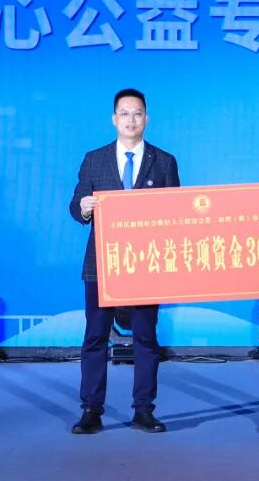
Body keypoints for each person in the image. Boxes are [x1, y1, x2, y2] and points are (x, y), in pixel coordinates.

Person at [68, 88, 180, 434]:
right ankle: (91, 409)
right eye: (124, 113)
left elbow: (178, 213)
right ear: (114, 119)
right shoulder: (94, 159)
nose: (131, 120)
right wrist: (84, 208)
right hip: (101, 263)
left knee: (145, 338)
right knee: (95, 337)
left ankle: (144, 410)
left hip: (147, 264)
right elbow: (75, 205)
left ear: (147, 118)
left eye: (137, 113)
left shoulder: (164, 161)